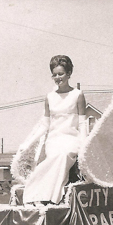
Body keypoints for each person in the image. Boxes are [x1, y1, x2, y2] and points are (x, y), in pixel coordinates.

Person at [20, 55, 87, 205]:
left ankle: (51, 198)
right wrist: (28, 143)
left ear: (69, 74)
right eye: (54, 74)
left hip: (72, 139)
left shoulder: (78, 95)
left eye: (61, 73)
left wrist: (83, 145)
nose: (57, 77)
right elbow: (45, 124)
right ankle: (35, 195)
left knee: (63, 156)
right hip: (54, 140)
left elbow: (82, 123)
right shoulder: (49, 97)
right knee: (52, 158)